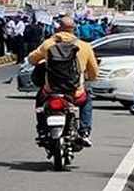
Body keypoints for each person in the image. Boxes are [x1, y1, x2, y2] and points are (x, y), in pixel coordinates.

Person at [27, 17, 98, 147]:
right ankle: (84, 132)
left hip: (50, 91)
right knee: (87, 100)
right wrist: (89, 77)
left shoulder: (48, 44)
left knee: (39, 100)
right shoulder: (84, 46)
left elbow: (31, 59)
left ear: (58, 28)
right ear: (74, 29)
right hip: (75, 93)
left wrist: (42, 61)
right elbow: (94, 73)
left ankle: (42, 130)